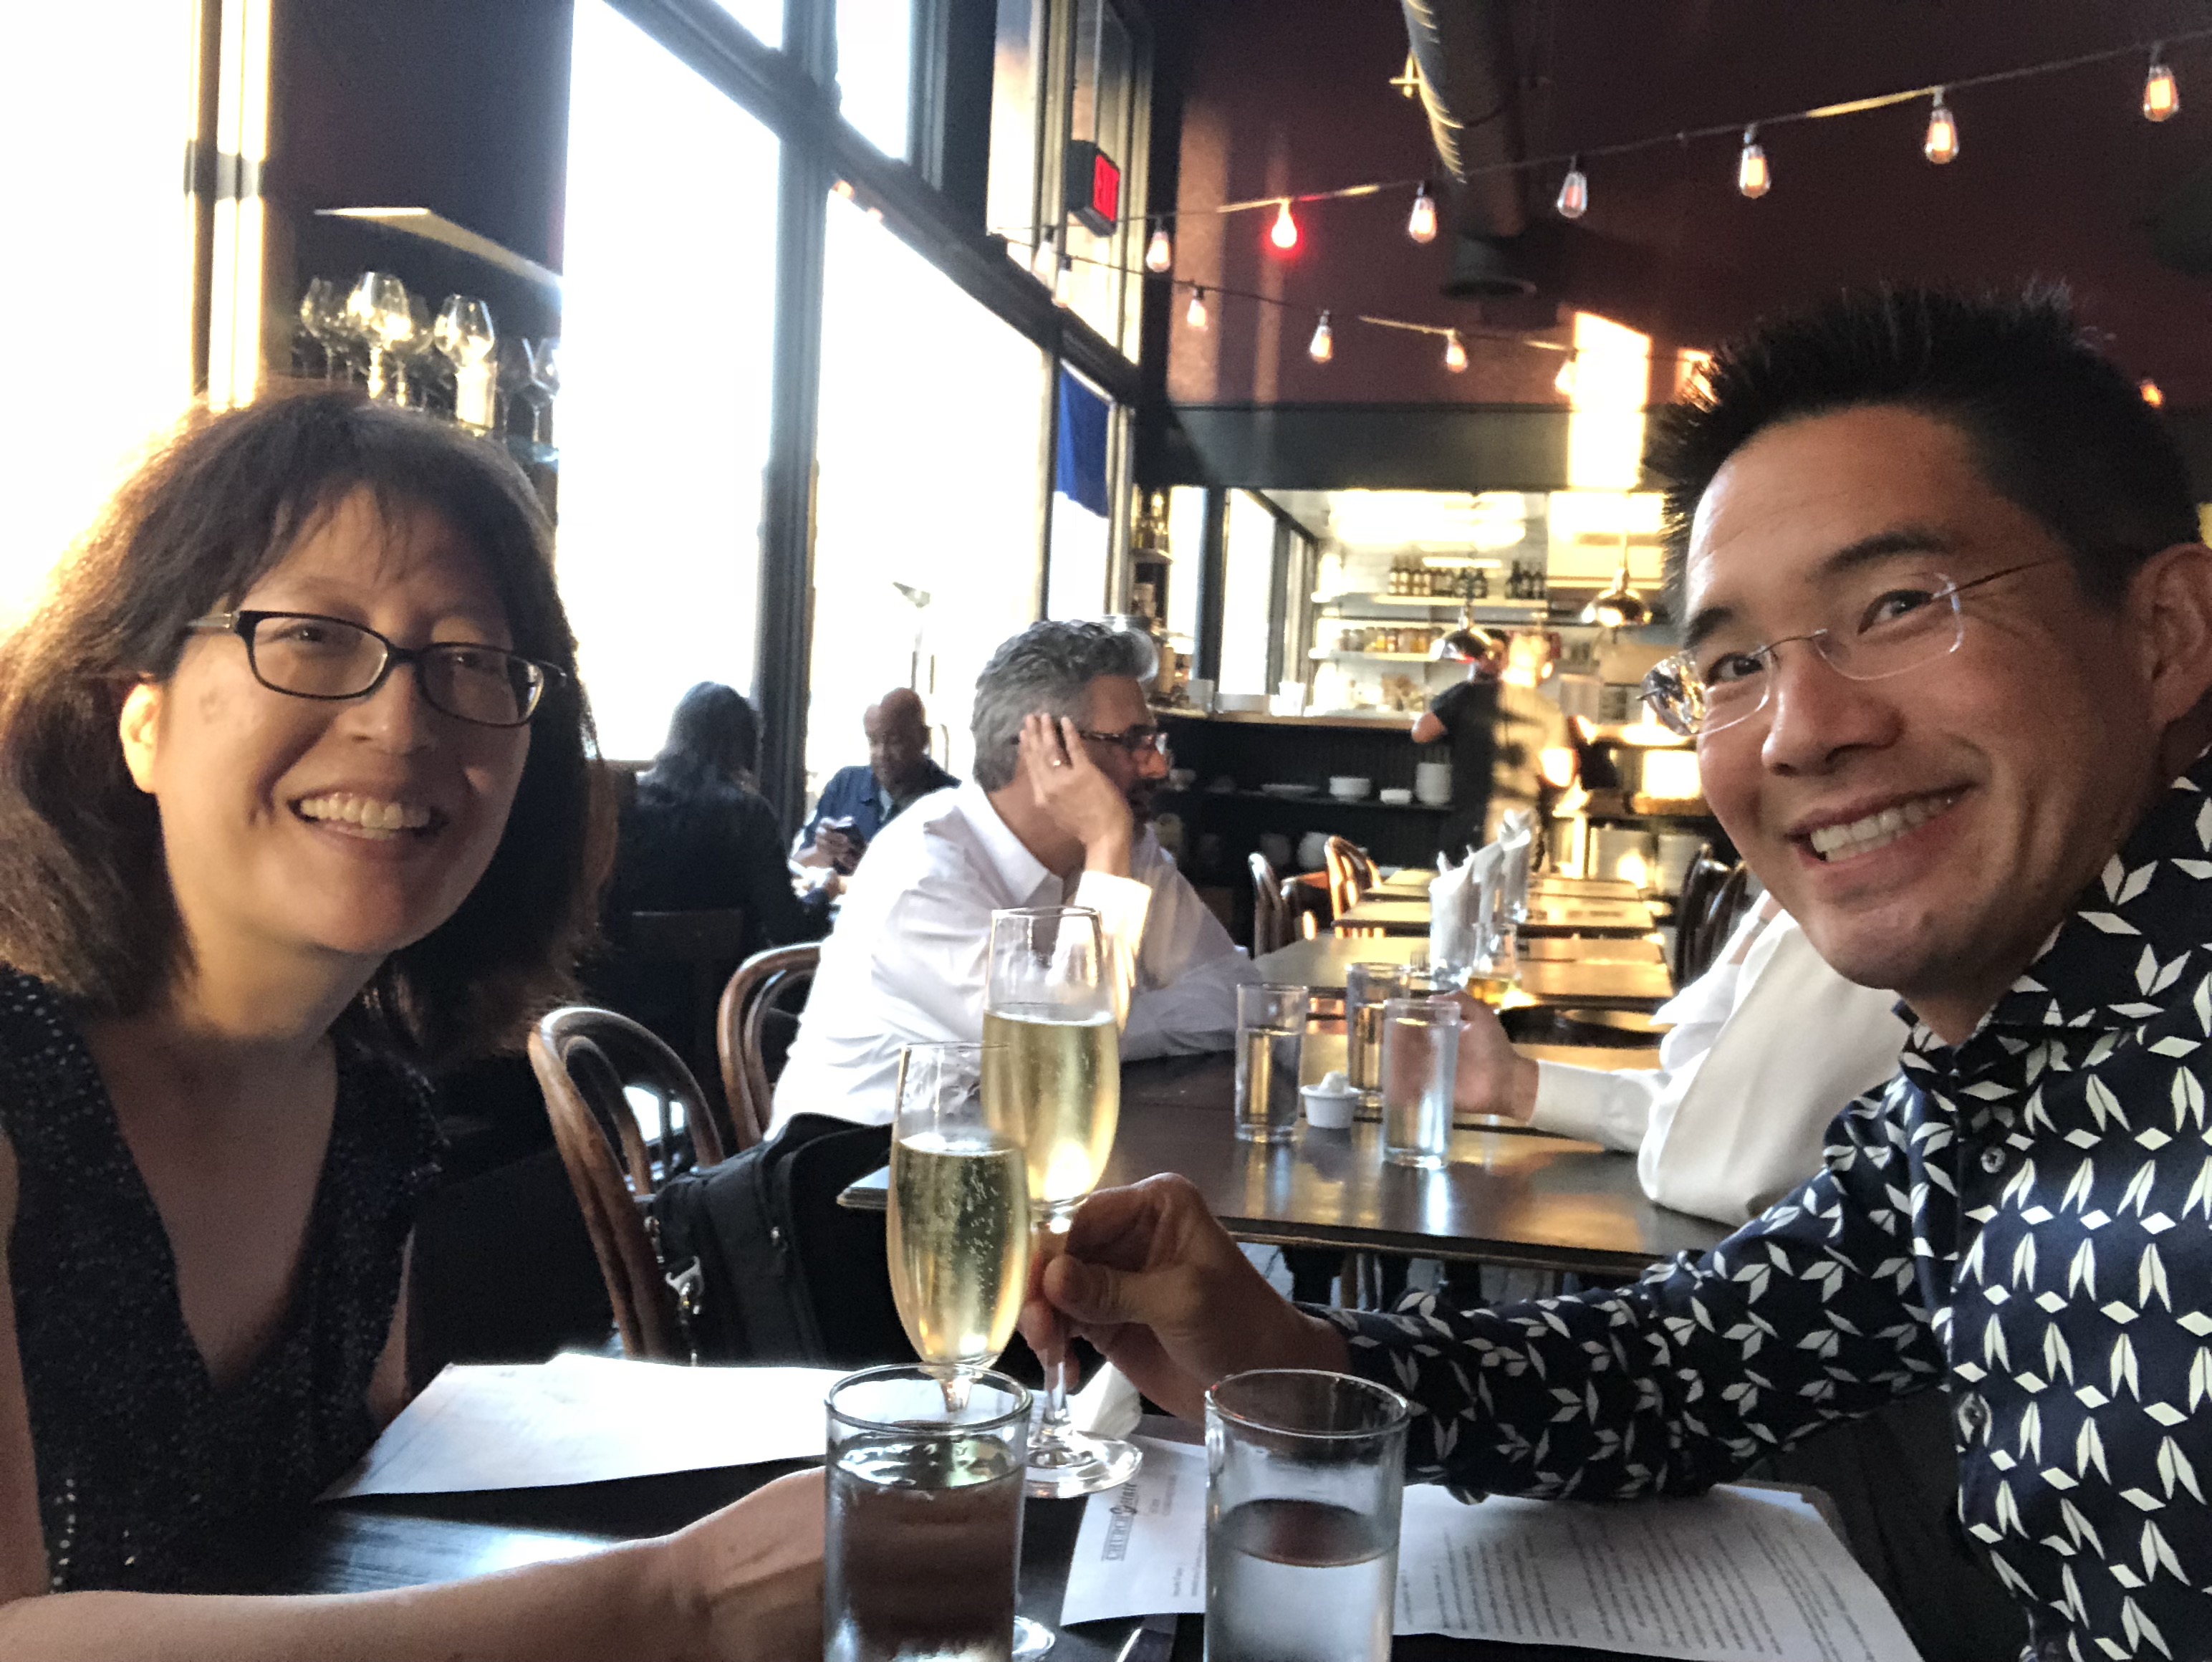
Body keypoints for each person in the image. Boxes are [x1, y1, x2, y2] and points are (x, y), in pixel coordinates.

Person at [1024, 287, 2212, 1657]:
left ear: (2164, 634)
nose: (1799, 730)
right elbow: (1680, 1366)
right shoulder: (1998, 1081)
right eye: (1732, 666)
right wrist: (1296, 1358)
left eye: (1896, 605)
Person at [0, 391, 819, 1658]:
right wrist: (678, 1599)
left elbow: (345, 1554)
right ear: (140, 714)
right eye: (312, 637)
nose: (400, 721)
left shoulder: (369, 1116)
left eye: (471, 662)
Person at [774, 620, 1255, 1127]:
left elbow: (1231, 996)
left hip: (1010, 1145)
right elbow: (1066, 1054)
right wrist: (1106, 846)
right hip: (862, 1162)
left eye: (1154, 740)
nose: (1157, 766)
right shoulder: (924, 874)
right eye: (1132, 741)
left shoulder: (1129, 848)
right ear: (1044, 751)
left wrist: (1113, 1025)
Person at [1461, 893, 1907, 1224]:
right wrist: (1516, 1086)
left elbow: (1718, 1154)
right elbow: (1700, 1065)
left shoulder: (1873, 915)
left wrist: (1519, 1088)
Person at [606, 681, 831, 955]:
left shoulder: (624, 803)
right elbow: (789, 928)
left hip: (623, 977)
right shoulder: (749, 815)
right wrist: (823, 892)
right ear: (745, 747)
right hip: (733, 981)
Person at [793, 687, 956, 874]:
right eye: (873, 741)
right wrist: (822, 852)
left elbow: (955, 880)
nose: (882, 753)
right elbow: (793, 866)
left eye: (894, 741)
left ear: (923, 739)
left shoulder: (954, 802)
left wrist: (873, 862)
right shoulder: (845, 785)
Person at [1410, 633, 1500, 857]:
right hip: (1512, 815)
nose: (1487, 659)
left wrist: (1467, 686)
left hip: (1472, 814)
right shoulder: (1530, 701)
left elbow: (1421, 733)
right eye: (1484, 654)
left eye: (1495, 655)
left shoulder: (1466, 696)